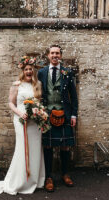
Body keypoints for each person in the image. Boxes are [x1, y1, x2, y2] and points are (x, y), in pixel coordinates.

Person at [0, 56, 45, 198]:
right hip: (21, 121)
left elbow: (39, 103)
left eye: (31, 69)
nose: (29, 71)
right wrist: (20, 114)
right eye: (26, 69)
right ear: (22, 70)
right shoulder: (16, 84)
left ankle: (35, 180)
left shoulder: (38, 84)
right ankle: (20, 181)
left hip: (35, 123)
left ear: (34, 71)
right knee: (22, 149)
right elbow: (11, 103)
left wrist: (40, 113)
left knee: (36, 149)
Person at [38, 44, 78, 192]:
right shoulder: (41, 72)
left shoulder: (68, 72)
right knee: (47, 146)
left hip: (65, 114)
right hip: (47, 114)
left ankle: (65, 174)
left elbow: (73, 96)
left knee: (65, 145)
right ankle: (49, 177)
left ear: (60, 56)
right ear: (48, 55)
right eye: (52, 53)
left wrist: (73, 114)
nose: (55, 55)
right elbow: (38, 93)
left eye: (57, 53)